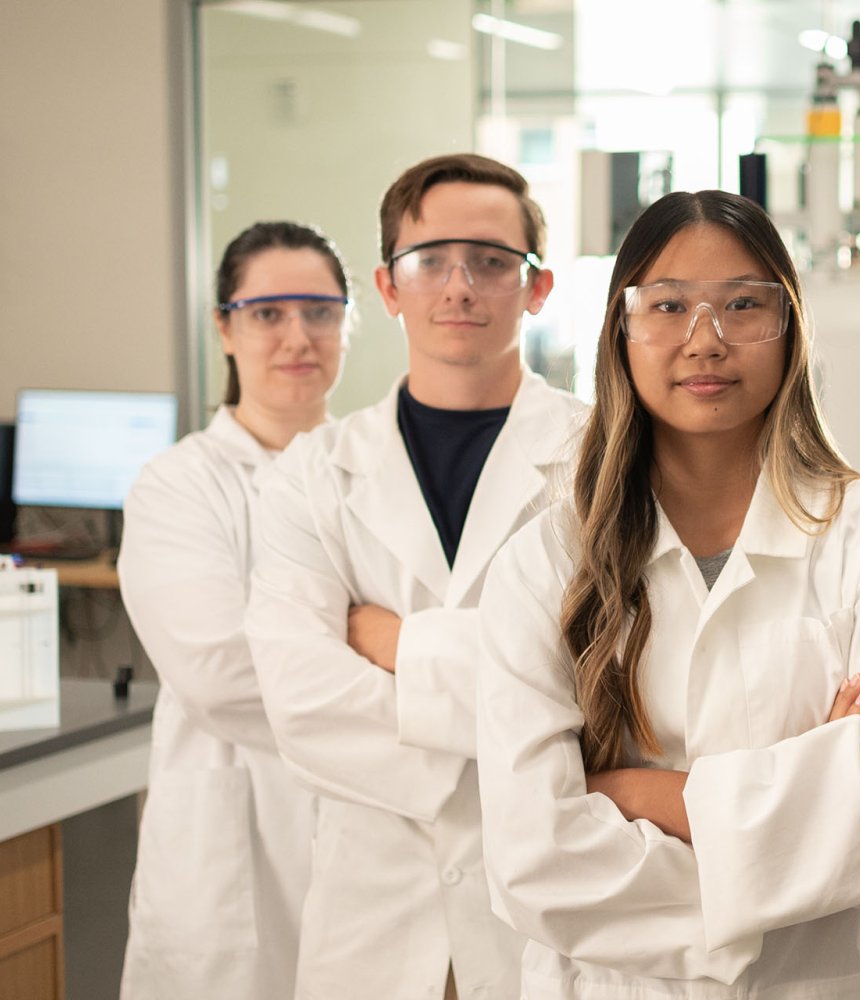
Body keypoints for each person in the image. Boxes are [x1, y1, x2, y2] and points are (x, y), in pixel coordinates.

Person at [471, 189, 860, 999]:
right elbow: (532, 859)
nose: (707, 340)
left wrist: (633, 794)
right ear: (620, 331)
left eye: (743, 305)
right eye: (667, 306)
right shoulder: (544, 560)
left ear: (790, 328)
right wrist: (807, 787)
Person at [245, 153, 586, 1000]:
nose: (459, 286)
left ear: (537, 288)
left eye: (492, 261)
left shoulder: (605, 463)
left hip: (546, 917)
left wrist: (393, 643)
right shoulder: (312, 474)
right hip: (373, 920)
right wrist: (522, 733)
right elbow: (303, 703)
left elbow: (610, 677)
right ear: (388, 288)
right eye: (429, 260)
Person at [118, 221, 350, 999]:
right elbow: (218, 673)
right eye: (268, 313)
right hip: (230, 846)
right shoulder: (179, 485)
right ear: (224, 326)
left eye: (320, 310)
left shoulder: (379, 476)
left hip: (370, 842)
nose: (298, 337)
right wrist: (390, 672)